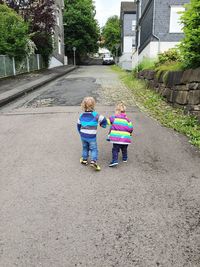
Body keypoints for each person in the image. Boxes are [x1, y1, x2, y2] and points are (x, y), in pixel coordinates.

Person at [77, 96, 107, 171]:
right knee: (94, 149)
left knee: (85, 147)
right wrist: (103, 125)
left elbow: (78, 125)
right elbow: (104, 119)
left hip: (83, 135)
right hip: (91, 136)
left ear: (83, 105)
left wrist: (80, 133)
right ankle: (93, 161)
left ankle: (84, 160)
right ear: (93, 105)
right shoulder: (95, 115)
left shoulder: (81, 115)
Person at [107, 102, 133, 167]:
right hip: (125, 138)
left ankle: (115, 161)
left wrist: (102, 123)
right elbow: (131, 129)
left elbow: (107, 121)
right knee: (124, 148)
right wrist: (130, 134)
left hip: (116, 138)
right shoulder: (128, 120)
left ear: (117, 111)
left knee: (115, 149)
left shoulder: (113, 117)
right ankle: (125, 158)